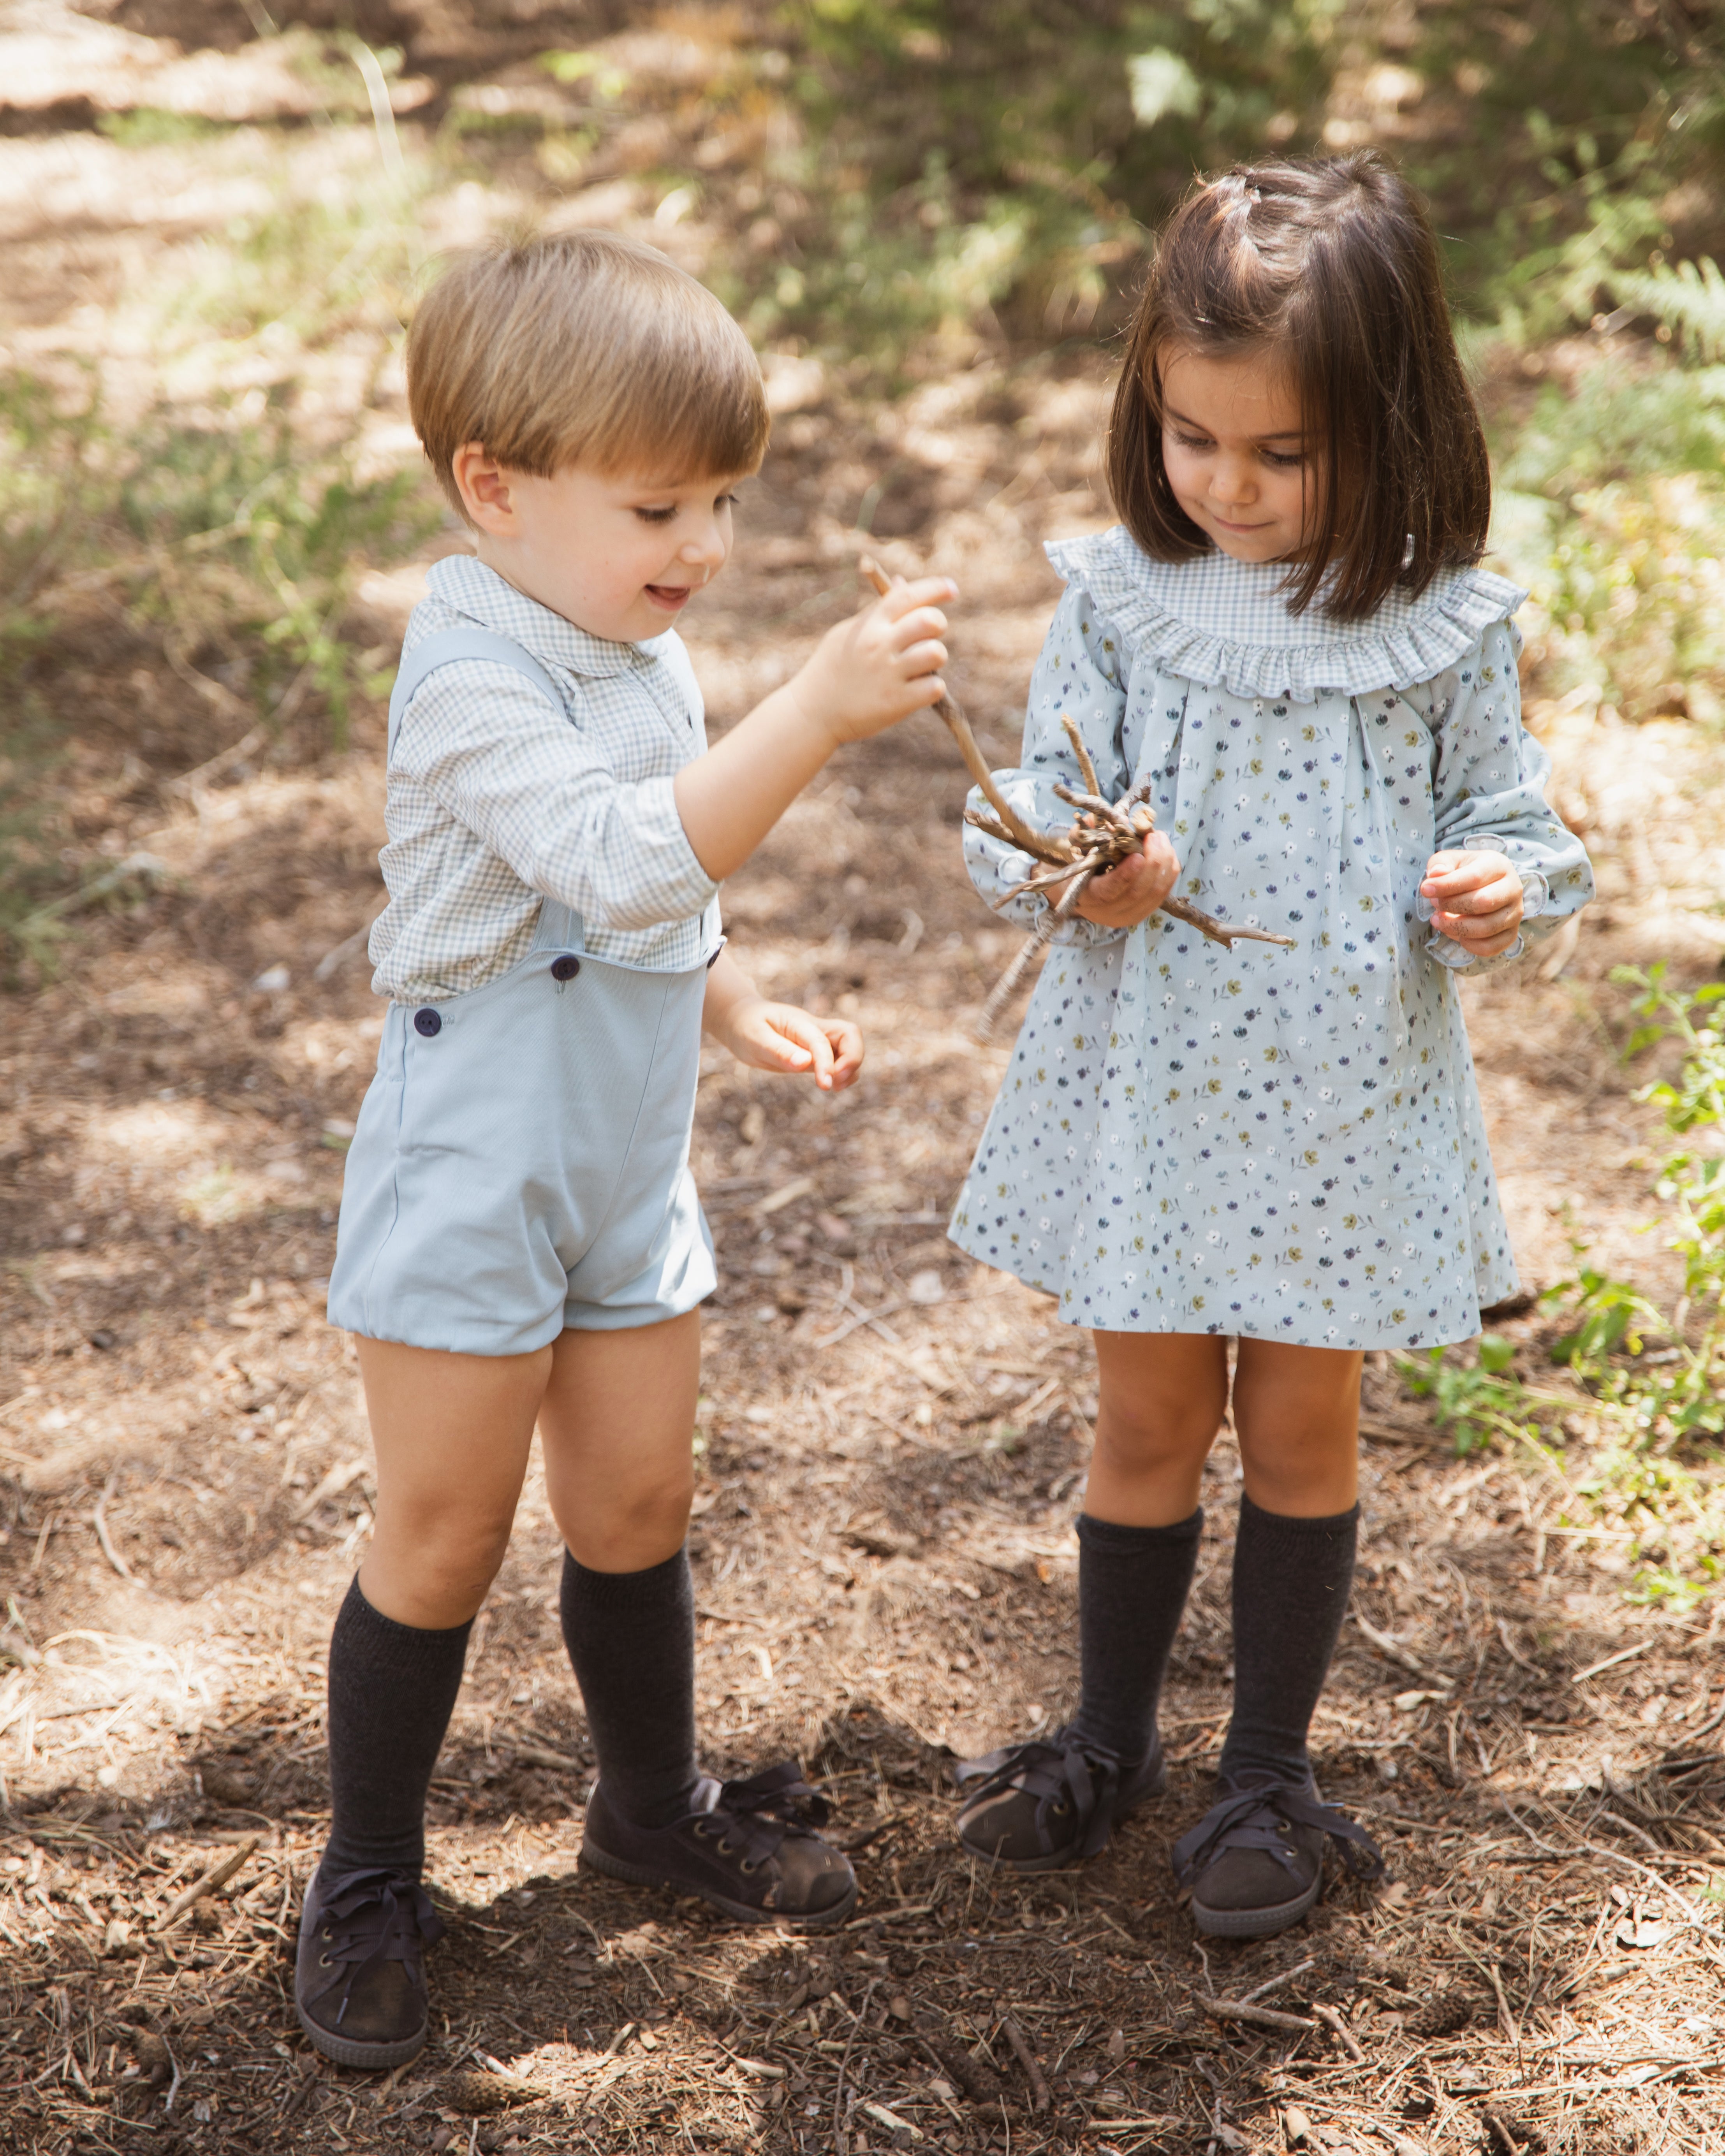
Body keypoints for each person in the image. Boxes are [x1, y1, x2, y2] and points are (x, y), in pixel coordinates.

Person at [300, 230, 956, 2068]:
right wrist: (815, 710)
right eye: (660, 500)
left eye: (726, 499)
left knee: (636, 1505)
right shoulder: (468, 667)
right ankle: (364, 1870)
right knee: (441, 1530)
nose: (705, 545)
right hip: (475, 1154)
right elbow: (621, 853)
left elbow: (650, 902)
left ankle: (647, 1806)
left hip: (619, 1151)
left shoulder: (633, 642)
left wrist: (734, 1004)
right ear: (493, 488)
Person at [947, 151, 1593, 1939]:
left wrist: (1492, 884)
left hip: (1341, 1103)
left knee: (1300, 1419)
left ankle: (1267, 1773)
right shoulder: (1125, 599)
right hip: (1154, 1097)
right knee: (1148, 1411)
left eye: (1281, 453)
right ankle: (1106, 1735)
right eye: (1190, 437)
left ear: (1387, 424)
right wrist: (1100, 868)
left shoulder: (1437, 618)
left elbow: (1521, 824)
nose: (1225, 486)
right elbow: (1017, 825)